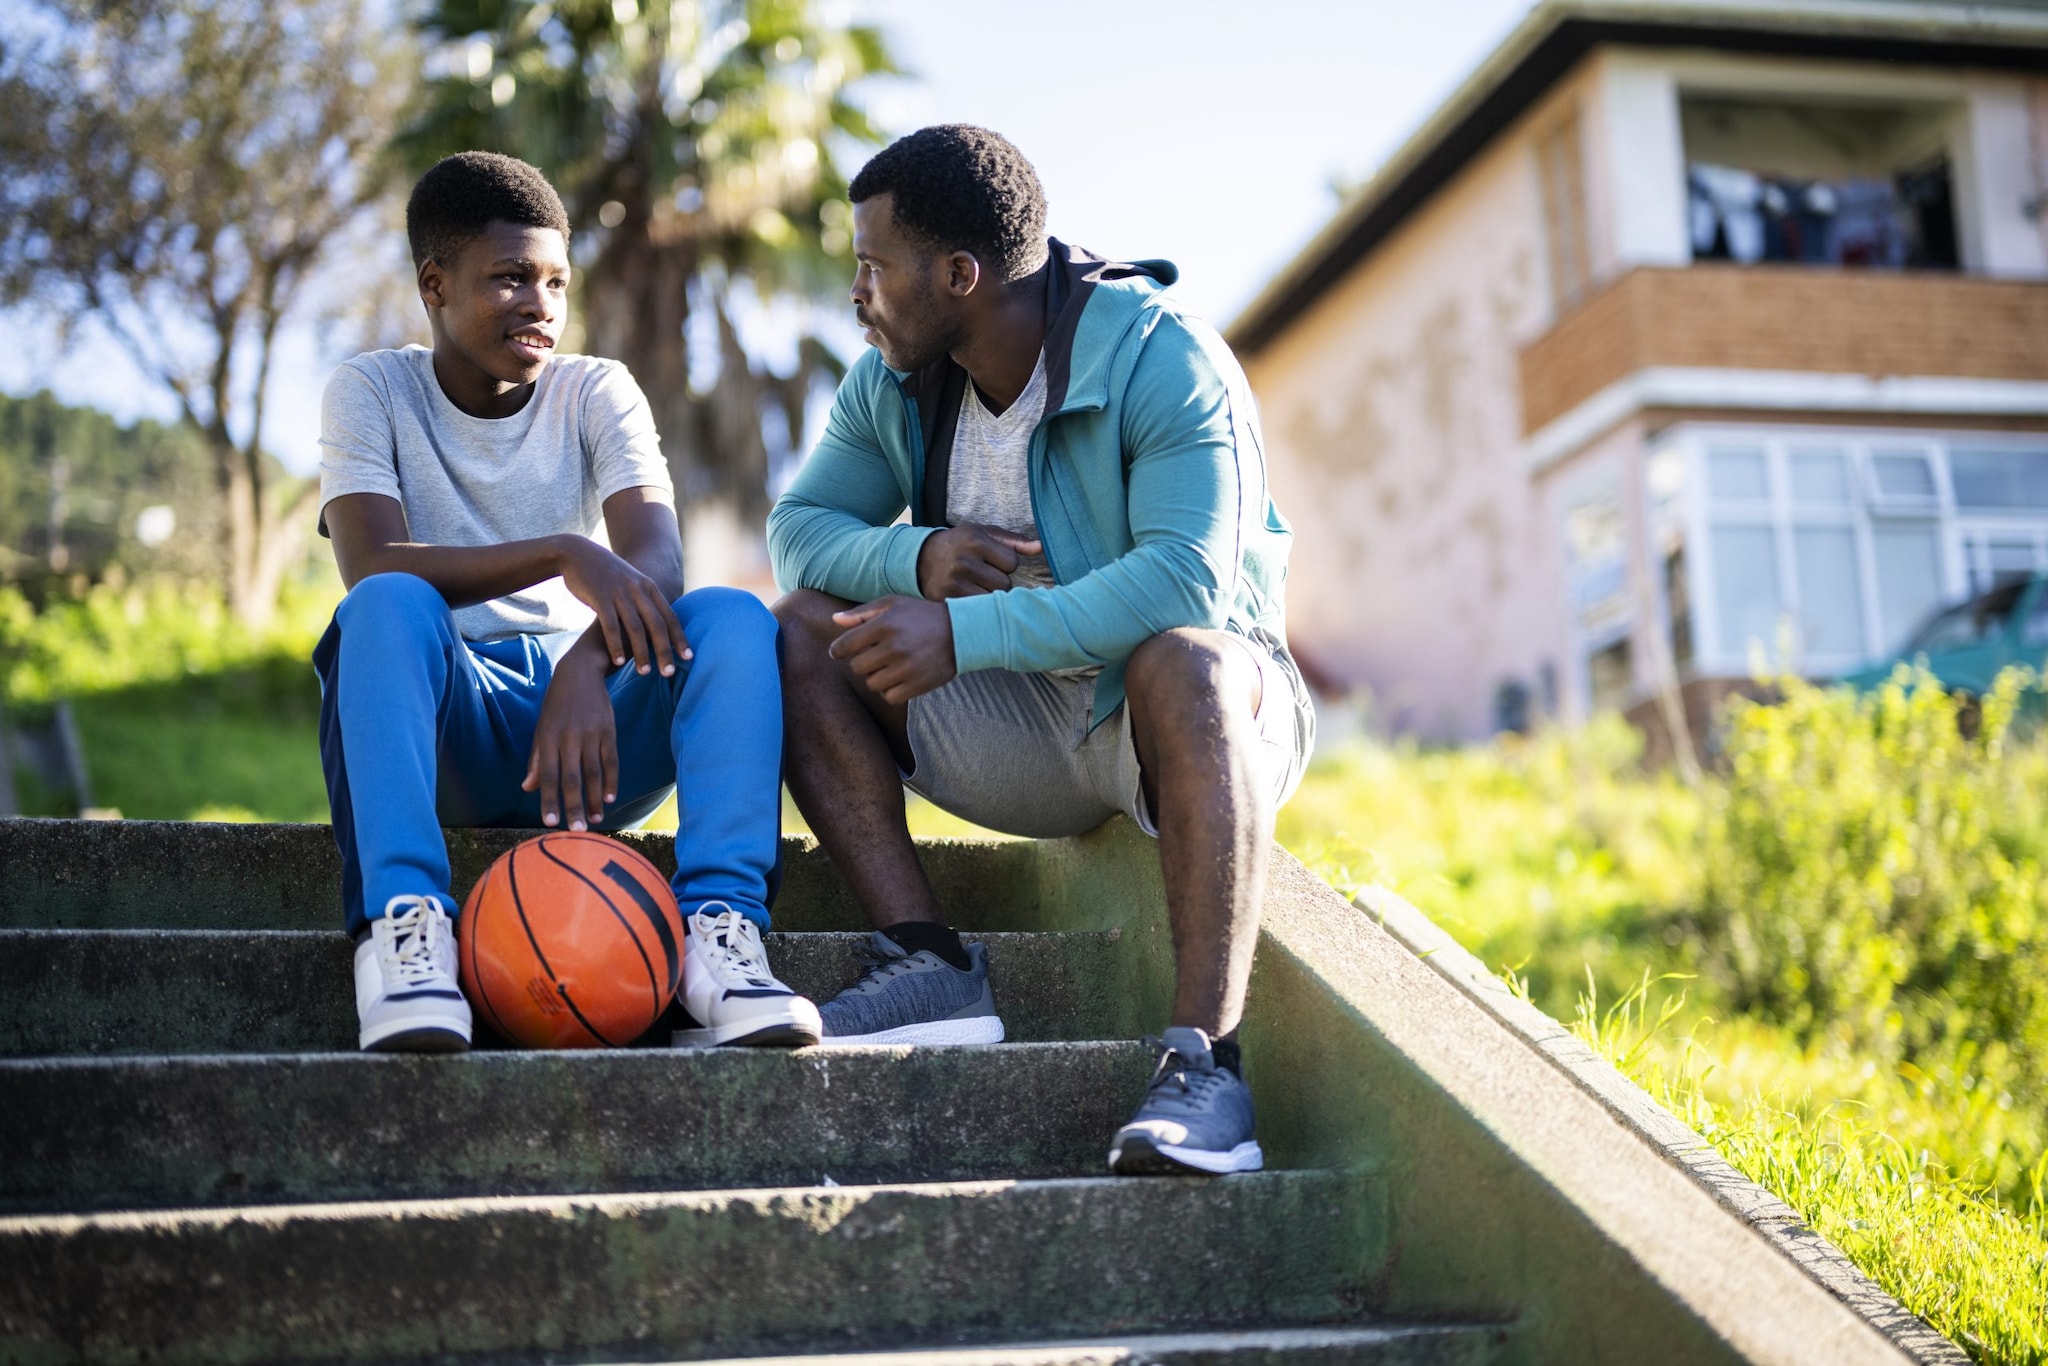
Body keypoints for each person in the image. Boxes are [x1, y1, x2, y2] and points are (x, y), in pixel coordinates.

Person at [769, 126, 1314, 1175]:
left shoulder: (1164, 355)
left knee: (1183, 657)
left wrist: (965, 628)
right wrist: (919, 560)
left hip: (1187, 722)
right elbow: (798, 529)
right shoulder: (891, 379)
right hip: (1019, 728)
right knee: (797, 628)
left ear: (959, 274)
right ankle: (926, 963)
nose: (858, 294)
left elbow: (1182, 584)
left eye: (874, 268)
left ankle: (1205, 1067)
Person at [315, 151, 819, 1054]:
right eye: (508, 277)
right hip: (444, 731)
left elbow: (657, 563)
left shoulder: (596, 389)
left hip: (581, 752)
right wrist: (561, 549)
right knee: (387, 605)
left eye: (555, 280)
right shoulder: (372, 390)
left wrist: (589, 663)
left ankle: (719, 939)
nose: (539, 302)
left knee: (733, 617)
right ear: (434, 284)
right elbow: (370, 559)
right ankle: (403, 935)